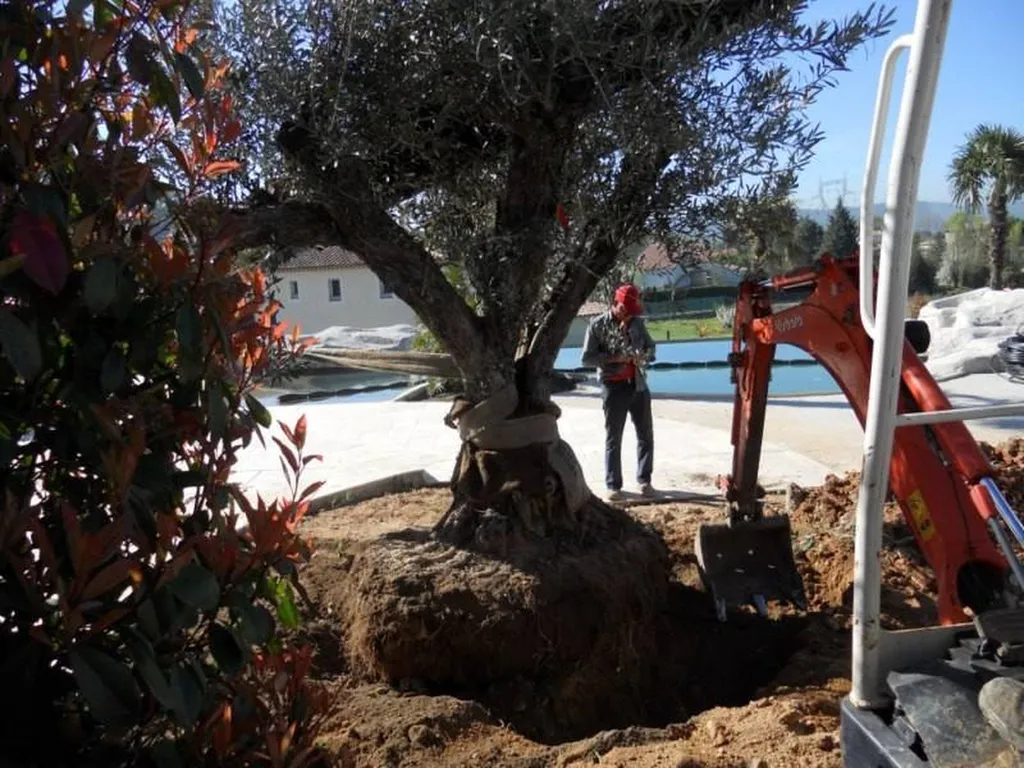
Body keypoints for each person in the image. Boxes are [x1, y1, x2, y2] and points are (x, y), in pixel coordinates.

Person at [581, 283, 657, 501]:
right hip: (613, 388)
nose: (628, 316)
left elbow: (652, 348)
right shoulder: (597, 325)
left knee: (646, 435)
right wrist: (614, 358)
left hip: (638, 385)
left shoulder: (637, 323)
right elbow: (586, 359)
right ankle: (614, 485)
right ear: (615, 304)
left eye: (632, 312)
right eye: (626, 311)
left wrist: (644, 356)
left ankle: (645, 481)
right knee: (614, 437)